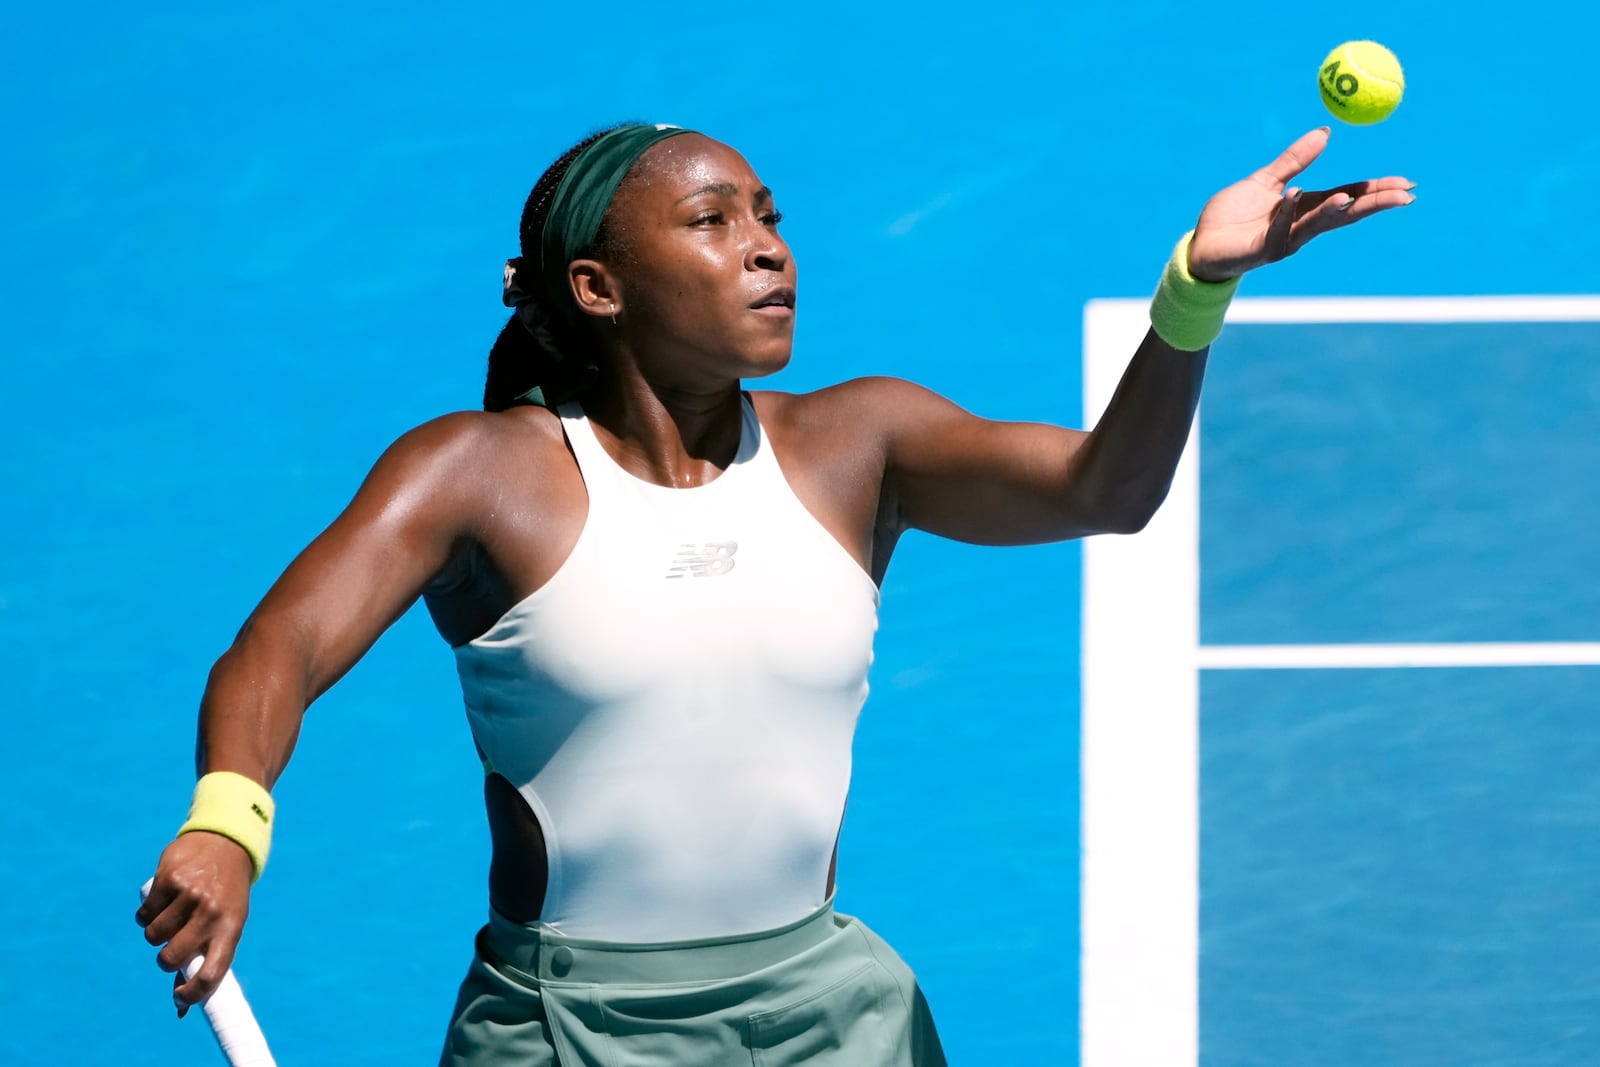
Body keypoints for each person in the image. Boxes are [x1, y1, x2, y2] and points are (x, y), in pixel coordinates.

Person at [135, 122, 1412, 1065]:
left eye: (768, 216)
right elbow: (281, 643)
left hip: (829, 1013)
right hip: (567, 1023)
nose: (766, 250)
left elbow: (1100, 488)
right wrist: (225, 823)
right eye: (712, 223)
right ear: (600, 287)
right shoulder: (482, 474)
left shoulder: (857, 444)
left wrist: (1196, 288)